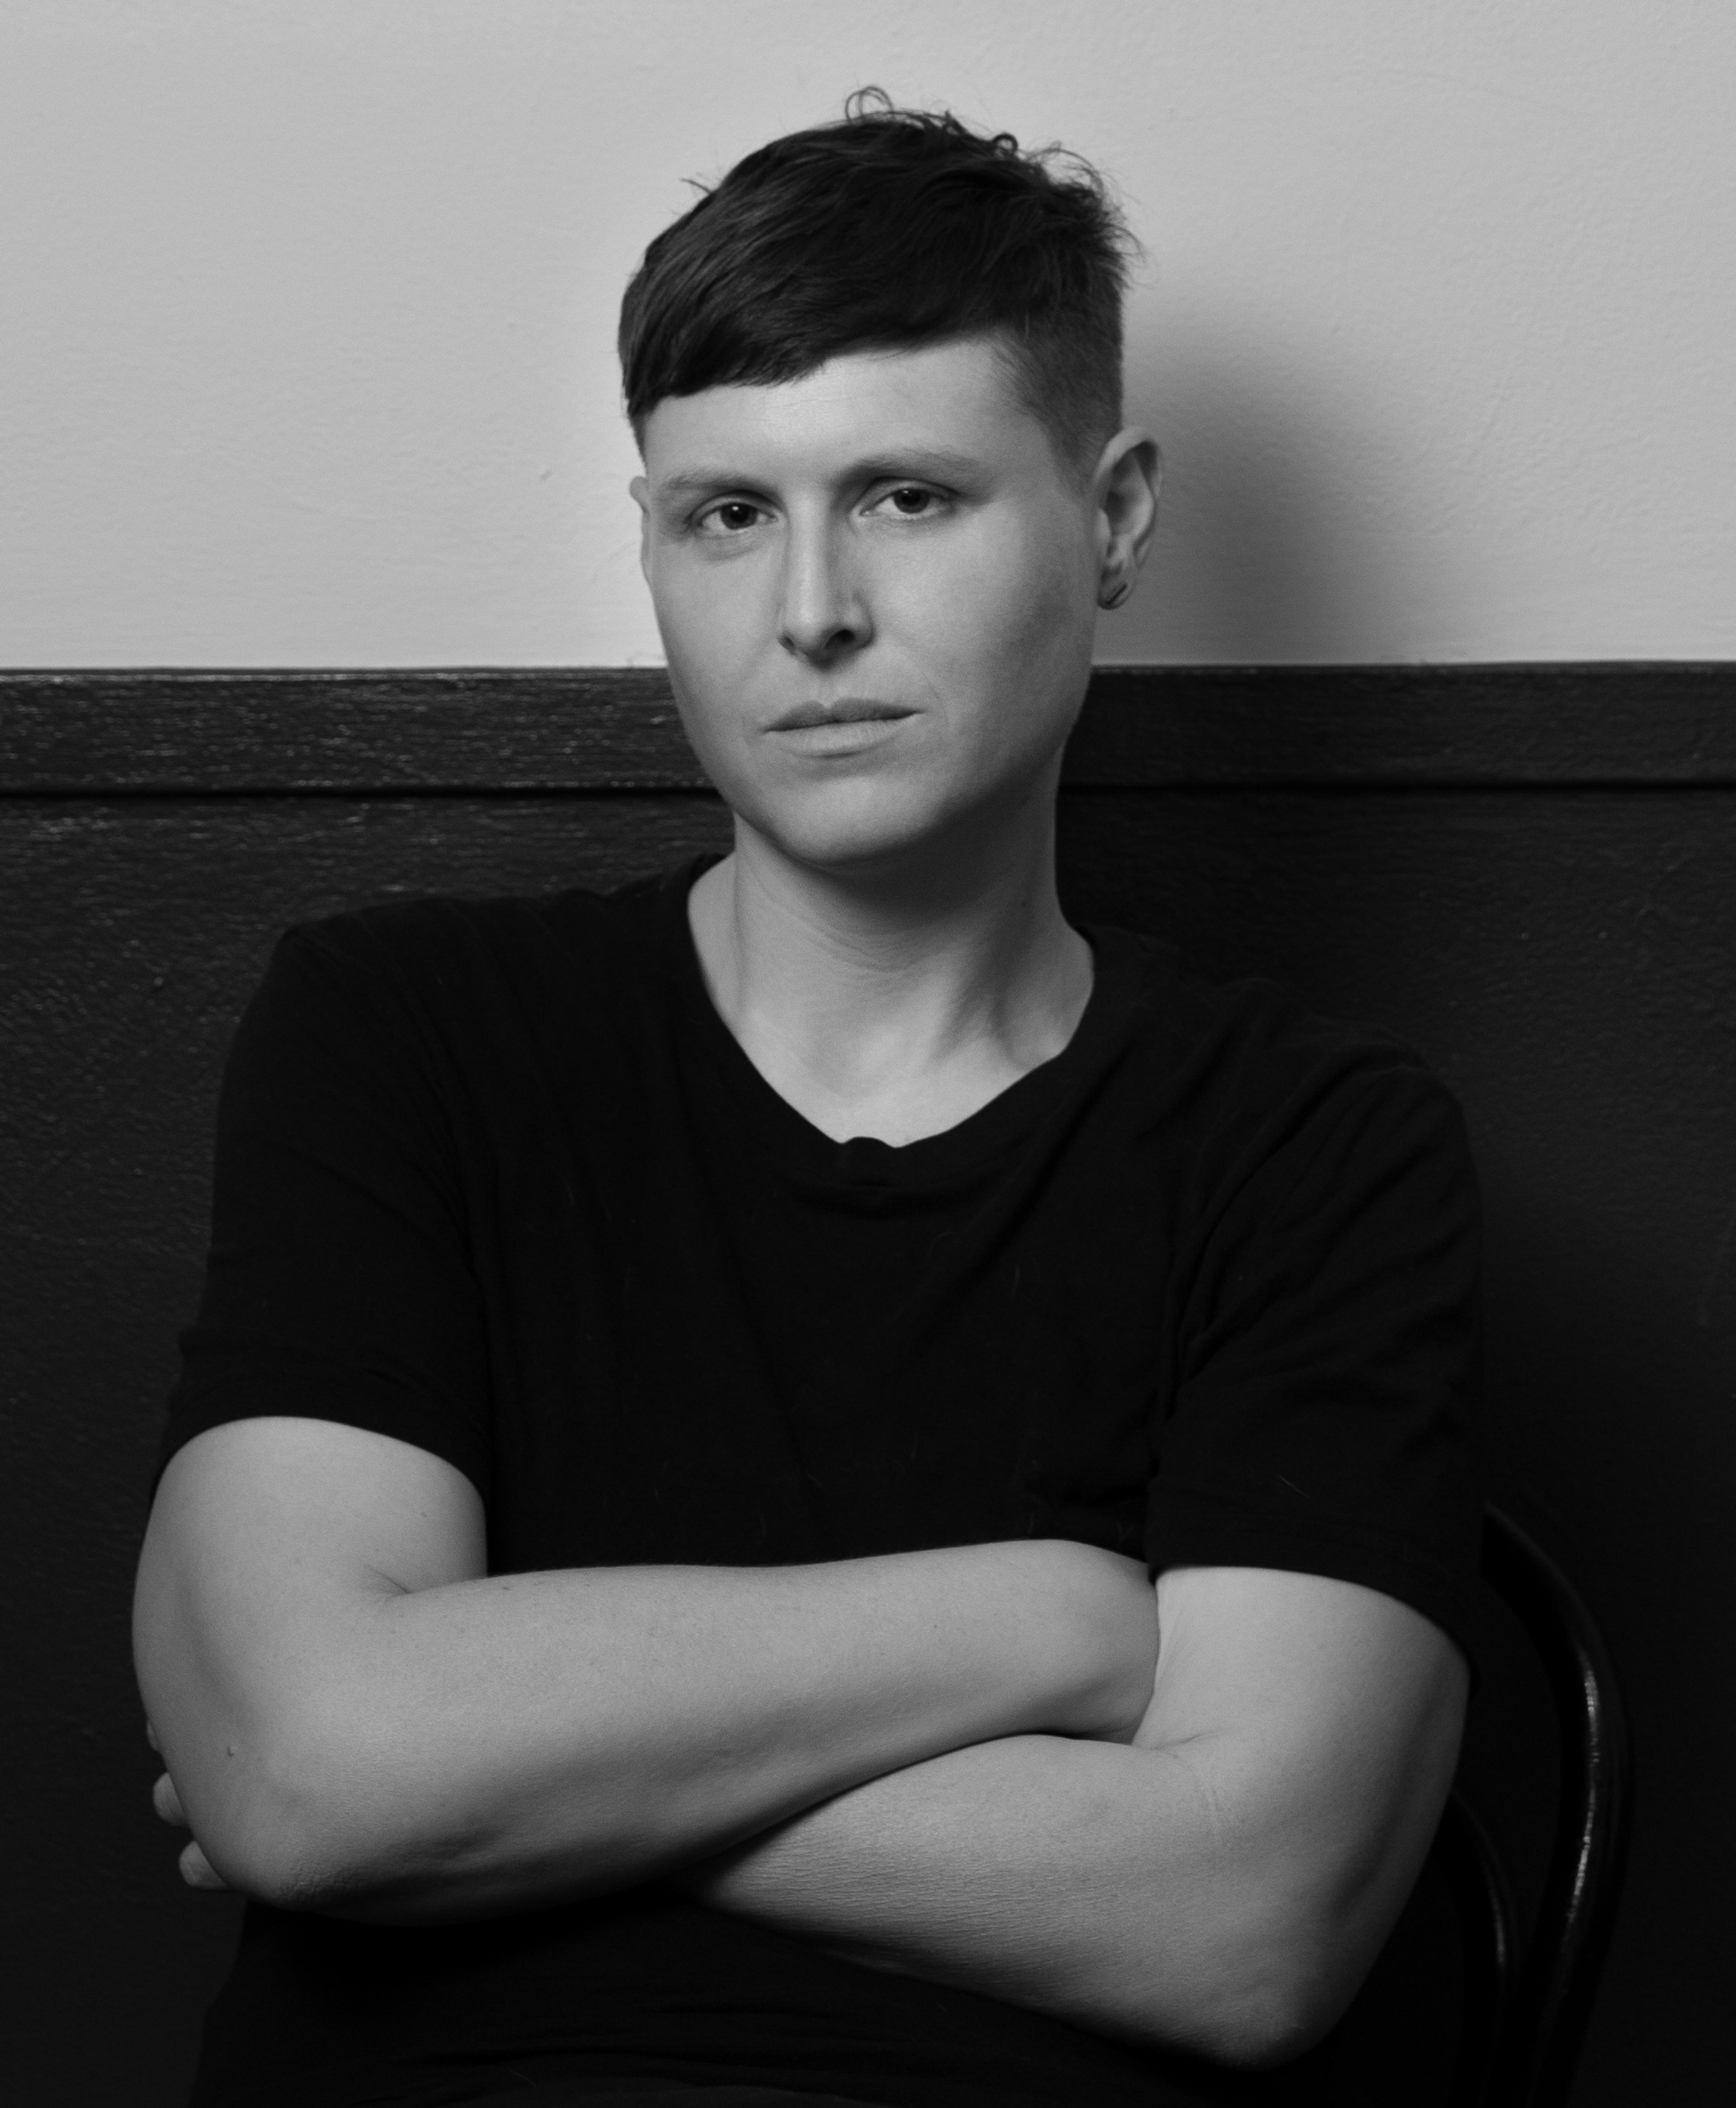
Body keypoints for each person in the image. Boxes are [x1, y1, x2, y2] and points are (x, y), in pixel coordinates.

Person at [134, 95, 1481, 2108]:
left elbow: (1244, 1920)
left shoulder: (1315, 1146)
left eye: (910, 495)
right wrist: (1050, 1623)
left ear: (1111, 517)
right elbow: (309, 1763)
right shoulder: (405, 1033)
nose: (812, 612)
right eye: (728, 513)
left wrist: (489, 1773)